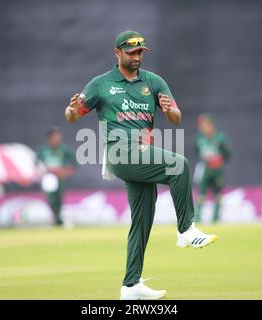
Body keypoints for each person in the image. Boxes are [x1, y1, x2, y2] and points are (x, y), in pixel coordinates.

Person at [64, 30, 218, 300]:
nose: (137, 57)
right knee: (178, 165)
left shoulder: (153, 81)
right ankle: (185, 230)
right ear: (117, 53)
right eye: (131, 52)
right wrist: (72, 110)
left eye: (140, 53)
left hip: (142, 153)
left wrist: (170, 110)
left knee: (142, 220)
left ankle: (131, 285)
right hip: (119, 152)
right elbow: (73, 117)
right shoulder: (101, 84)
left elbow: (175, 119)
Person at [193, 114, 231, 224]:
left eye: (204, 124)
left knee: (218, 194)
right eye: (201, 125)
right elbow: (198, 151)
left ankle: (215, 219)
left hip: (217, 170)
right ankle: (197, 219)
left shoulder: (220, 138)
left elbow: (227, 154)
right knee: (201, 194)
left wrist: (219, 160)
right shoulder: (199, 138)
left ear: (211, 125)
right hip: (205, 170)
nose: (202, 127)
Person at [36, 127, 77, 226]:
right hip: (48, 178)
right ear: (49, 138)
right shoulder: (43, 150)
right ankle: (56, 217)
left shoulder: (64, 149)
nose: (57, 138)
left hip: (59, 178)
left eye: (58, 136)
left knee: (59, 199)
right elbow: (37, 163)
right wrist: (44, 171)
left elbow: (74, 163)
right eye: (55, 136)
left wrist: (65, 172)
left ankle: (58, 219)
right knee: (51, 199)